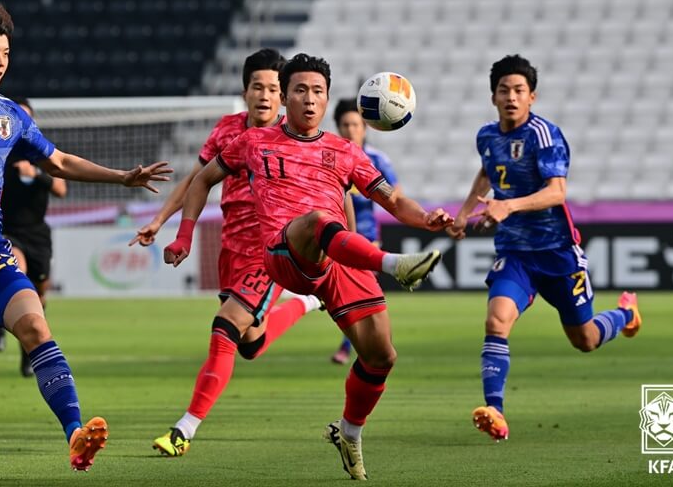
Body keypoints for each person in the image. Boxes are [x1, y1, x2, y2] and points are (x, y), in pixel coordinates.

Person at [163, 53, 453, 480]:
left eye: (318, 92)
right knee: (317, 221)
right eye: (300, 90)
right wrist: (184, 233)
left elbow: (392, 200)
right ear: (286, 97)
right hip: (283, 253)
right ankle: (396, 265)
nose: (310, 99)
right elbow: (203, 178)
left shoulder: (345, 152)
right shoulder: (253, 141)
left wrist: (426, 217)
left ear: (328, 97)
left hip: (334, 258)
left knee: (381, 356)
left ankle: (350, 432)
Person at [0, 2, 172, 471]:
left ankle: (75, 434)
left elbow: (58, 161)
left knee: (36, 326)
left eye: (6, 53)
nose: (0, 62)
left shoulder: (11, 116)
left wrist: (122, 176)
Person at [129, 48, 322, 458]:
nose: (266, 96)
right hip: (231, 249)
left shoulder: (293, 137)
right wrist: (164, 222)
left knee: (225, 327)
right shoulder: (228, 130)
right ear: (245, 91)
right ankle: (304, 304)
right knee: (250, 342)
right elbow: (197, 180)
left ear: (284, 94)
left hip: (272, 250)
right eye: (258, 87)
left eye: (274, 88)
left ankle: (184, 429)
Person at [445, 54, 642, 442]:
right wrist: (465, 212)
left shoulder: (544, 135)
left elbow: (557, 191)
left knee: (584, 340)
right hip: (515, 255)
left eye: (519, 90)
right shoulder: (487, 136)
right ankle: (495, 412)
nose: (511, 97)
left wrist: (508, 205)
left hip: (557, 254)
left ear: (532, 96)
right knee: (495, 321)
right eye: (504, 90)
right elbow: (488, 171)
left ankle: (625, 314)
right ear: (493, 97)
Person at [0, 97, 67, 378]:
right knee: (15, 274)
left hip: (37, 234)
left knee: (39, 295)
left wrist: (35, 173)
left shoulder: (39, 151)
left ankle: (26, 358)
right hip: (8, 232)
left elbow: (61, 189)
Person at [329, 99, 401, 366]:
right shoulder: (329, 157)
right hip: (332, 236)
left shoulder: (378, 160)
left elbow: (396, 196)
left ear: (365, 128)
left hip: (366, 238)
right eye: (345, 125)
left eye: (356, 124)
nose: (351, 130)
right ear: (338, 127)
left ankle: (350, 348)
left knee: (361, 292)